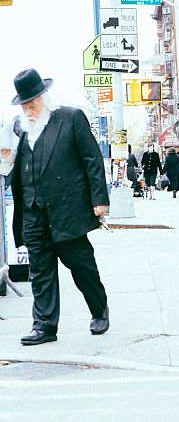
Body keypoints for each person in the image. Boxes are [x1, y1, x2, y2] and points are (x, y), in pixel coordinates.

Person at [9, 68, 110, 346]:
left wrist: (99, 200)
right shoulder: (21, 128)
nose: (28, 109)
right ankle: (44, 326)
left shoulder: (70, 118)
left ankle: (99, 308)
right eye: (23, 105)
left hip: (67, 211)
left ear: (44, 98)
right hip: (33, 212)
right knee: (41, 271)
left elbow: (92, 159)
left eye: (31, 103)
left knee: (81, 265)